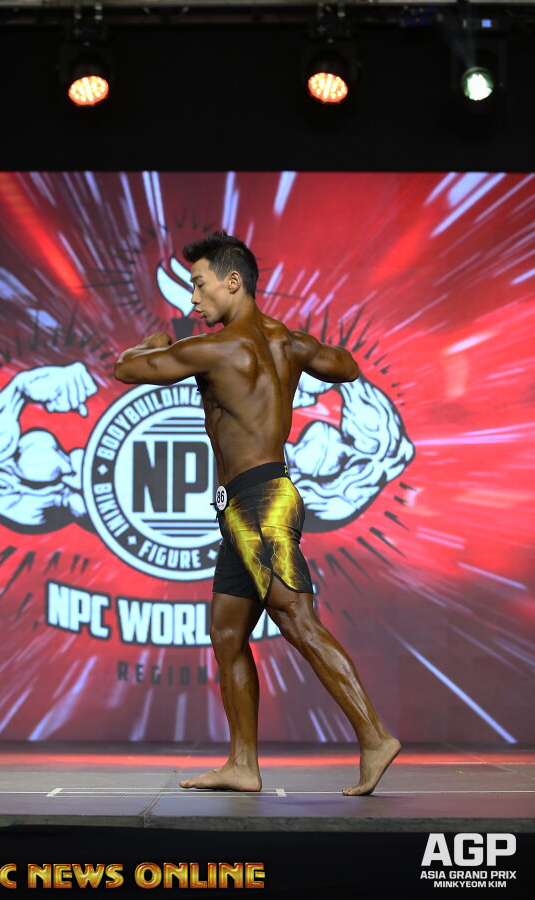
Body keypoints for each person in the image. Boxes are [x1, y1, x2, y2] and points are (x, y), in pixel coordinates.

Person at [114, 230, 401, 795]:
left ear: (232, 281)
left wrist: (147, 343)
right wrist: (298, 349)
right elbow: (346, 367)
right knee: (227, 632)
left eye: (198, 285)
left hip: (259, 505)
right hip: (249, 505)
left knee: (297, 621)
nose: (192, 299)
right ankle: (243, 765)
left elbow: (126, 370)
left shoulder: (215, 349)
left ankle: (374, 737)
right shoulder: (286, 342)